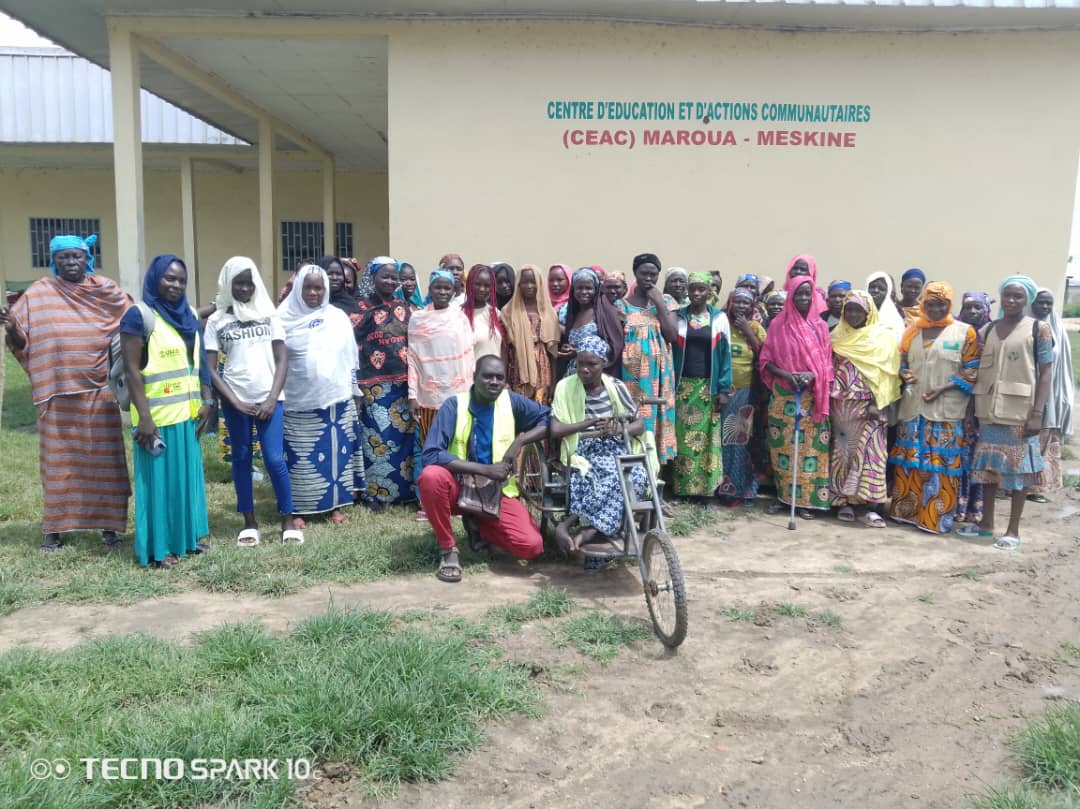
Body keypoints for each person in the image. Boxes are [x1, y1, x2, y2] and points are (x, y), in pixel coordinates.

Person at [1, 233, 131, 552]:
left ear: (87, 258)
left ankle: (110, 528)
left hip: (99, 393)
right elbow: (21, 344)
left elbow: (134, 321)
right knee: (59, 466)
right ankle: (54, 531)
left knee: (106, 463)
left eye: (76, 257)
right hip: (56, 396)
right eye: (64, 258)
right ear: (53, 260)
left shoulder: (105, 290)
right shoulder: (39, 294)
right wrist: (13, 328)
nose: (71, 263)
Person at [418, 355, 550, 582]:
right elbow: (431, 454)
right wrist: (485, 470)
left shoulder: (511, 402)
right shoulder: (454, 405)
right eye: (487, 376)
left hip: (495, 492)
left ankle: (478, 523)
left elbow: (548, 418)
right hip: (458, 486)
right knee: (431, 477)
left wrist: (520, 441)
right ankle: (448, 550)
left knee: (532, 546)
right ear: (474, 377)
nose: (494, 382)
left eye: (499, 378)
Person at [120, 254, 214, 567]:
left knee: (185, 484)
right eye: (169, 278)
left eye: (181, 280)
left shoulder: (186, 314)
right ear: (155, 278)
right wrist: (144, 419)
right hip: (156, 421)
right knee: (158, 488)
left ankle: (186, 541)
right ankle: (158, 550)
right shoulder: (138, 316)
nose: (175, 284)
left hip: (187, 416)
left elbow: (197, 361)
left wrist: (206, 399)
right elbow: (133, 371)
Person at [204, 256, 301, 546]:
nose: (245, 288)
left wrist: (272, 398)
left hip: (269, 400)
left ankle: (287, 518)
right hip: (237, 401)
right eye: (239, 283)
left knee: (274, 459)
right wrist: (232, 401)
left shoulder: (269, 315)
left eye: (249, 282)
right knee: (242, 459)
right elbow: (209, 368)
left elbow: (282, 358)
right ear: (228, 284)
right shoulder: (217, 320)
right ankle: (249, 522)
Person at [961, 276, 1053, 549]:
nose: (1012, 301)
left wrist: (1038, 413)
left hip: (1020, 412)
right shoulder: (988, 329)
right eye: (1008, 296)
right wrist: (969, 410)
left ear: (1027, 300)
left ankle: (1013, 530)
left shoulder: (1038, 329)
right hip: (988, 411)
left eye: (1018, 297)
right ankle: (986, 524)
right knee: (989, 469)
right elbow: (976, 371)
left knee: (1019, 472)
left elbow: (1046, 372)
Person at [551, 335, 656, 554]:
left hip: (615, 447)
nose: (585, 369)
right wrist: (589, 424)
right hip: (583, 448)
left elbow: (640, 424)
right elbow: (556, 430)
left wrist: (620, 429)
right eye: (581, 363)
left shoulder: (616, 387)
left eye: (592, 364)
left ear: (604, 364)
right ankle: (596, 529)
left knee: (636, 476)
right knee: (606, 477)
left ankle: (586, 530)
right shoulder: (565, 387)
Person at [889, 282, 980, 535]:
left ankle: (935, 518)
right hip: (913, 409)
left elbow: (972, 370)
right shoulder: (912, 331)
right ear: (923, 305)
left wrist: (944, 387)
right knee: (910, 462)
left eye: (941, 304)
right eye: (930, 304)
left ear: (949, 305)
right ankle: (906, 512)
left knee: (941, 464)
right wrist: (904, 373)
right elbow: (903, 361)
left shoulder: (964, 332)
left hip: (945, 411)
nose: (936, 309)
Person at [277, 265, 362, 524]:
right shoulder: (282, 318)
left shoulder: (336, 317)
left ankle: (335, 507)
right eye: (308, 287)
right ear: (298, 288)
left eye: (319, 288)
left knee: (336, 454)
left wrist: (353, 389)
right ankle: (300, 510)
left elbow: (349, 357)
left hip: (337, 399)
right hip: (297, 400)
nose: (313, 293)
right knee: (300, 458)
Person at [759, 272, 834, 519]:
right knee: (783, 449)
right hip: (784, 395)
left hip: (812, 397)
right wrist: (787, 374)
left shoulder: (820, 327)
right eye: (799, 293)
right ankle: (784, 498)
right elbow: (766, 360)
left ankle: (806, 502)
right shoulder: (778, 325)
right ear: (791, 296)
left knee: (810, 451)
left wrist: (812, 375)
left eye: (807, 293)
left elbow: (827, 363)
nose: (803, 297)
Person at [829, 290, 901, 527]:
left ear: (868, 312)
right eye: (848, 309)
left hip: (871, 406)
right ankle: (844, 501)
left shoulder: (883, 337)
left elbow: (888, 374)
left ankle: (866, 506)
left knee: (870, 454)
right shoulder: (837, 335)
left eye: (858, 310)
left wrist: (876, 402)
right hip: (842, 406)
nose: (852, 314)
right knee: (844, 454)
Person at [407, 269, 475, 517]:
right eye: (438, 287)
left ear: (454, 289)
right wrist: (413, 395)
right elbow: (413, 359)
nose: (443, 292)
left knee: (458, 448)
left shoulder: (460, 318)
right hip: (428, 397)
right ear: (430, 289)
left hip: (458, 394)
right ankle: (427, 502)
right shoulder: (418, 319)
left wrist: (472, 392)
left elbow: (469, 357)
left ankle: (457, 500)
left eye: (448, 287)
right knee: (430, 448)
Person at [355, 256, 415, 509]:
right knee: (377, 441)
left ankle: (404, 493)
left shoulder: (406, 307)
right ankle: (376, 495)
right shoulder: (360, 307)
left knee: (403, 441)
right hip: (373, 387)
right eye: (385, 276)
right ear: (373, 278)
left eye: (394, 277)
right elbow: (352, 342)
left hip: (403, 386)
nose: (390, 281)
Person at [671, 272, 732, 501]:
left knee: (707, 440)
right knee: (683, 439)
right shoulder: (678, 317)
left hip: (708, 388)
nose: (696, 293)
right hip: (682, 387)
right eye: (693, 289)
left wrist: (724, 390)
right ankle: (683, 489)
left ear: (710, 292)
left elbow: (725, 357)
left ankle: (706, 491)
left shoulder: (718, 319)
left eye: (701, 289)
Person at [617, 253, 680, 464]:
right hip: (632, 375)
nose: (649, 279)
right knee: (636, 416)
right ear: (635, 273)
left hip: (660, 374)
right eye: (644, 273)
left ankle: (656, 473)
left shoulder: (668, 302)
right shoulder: (622, 305)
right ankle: (635, 469)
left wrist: (659, 303)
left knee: (659, 414)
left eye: (653, 275)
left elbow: (671, 335)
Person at [717, 288, 767, 505]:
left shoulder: (756, 327)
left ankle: (737, 488)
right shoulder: (721, 323)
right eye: (737, 302)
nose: (741, 307)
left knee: (739, 440)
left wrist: (748, 331)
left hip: (746, 392)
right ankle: (718, 486)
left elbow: (765, 356)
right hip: (722, 391)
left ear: (752, 306)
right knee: (720, 440)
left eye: (746, 303)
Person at [1026, 288, 1073, 502]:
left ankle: (1037, 487)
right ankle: (1013, 485)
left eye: (1048, 303)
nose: (1045, 307)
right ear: (1031, 304)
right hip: (1025, 390)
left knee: (1043, 434)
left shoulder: (1058, 328)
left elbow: (1063, 365)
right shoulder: (1024, 327)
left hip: (1050, 390)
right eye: (1040, 303)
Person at [954, 291, 995, 524]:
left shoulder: (991, 334)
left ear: (986, 309)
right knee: (957, 457)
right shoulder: (956, 331)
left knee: (976, 458)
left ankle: (973, 507)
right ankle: (955, 505)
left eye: (978, 307)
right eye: (968, 307)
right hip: (955, 401)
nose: (973, 312)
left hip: (982, 405)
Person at [501, 263, 560, 405]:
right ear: (518, 284)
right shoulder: (508, 311)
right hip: (517, 367)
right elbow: (504, 349)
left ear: (539, 283)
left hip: (543, 367)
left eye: (533, 282)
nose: (529, 286)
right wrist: (502, 379)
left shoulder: (548, 312)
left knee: (541, 405)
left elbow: (553, 353)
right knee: (518, 406)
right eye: (524, 282)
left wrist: (553, 382)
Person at [559, 267, 625, 378]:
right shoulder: (572, 314)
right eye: (579, 288)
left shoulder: (606, 313)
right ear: (573, 291)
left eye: (588, 288)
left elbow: (615, 346)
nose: (584, 292)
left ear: (596, 290)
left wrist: (580, 352)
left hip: (596, 377)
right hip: (573, 375)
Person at [463, 264, 506, 362]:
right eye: (478, 284)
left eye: (487, 286)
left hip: (495, 375)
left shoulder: (497, 314)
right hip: (472, 375)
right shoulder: (459, 315)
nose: (482, 289)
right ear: (469, 284)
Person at [320, 255, 361, 326]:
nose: (335, 278)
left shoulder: (351, 305)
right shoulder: (313, 302)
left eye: (339, 274)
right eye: (329, 274)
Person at [865, 271, 907, 341]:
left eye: (881, 288)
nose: (876, 290)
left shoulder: (894, 319)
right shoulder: (857, 312)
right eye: (872, 287)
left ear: (888, 292)